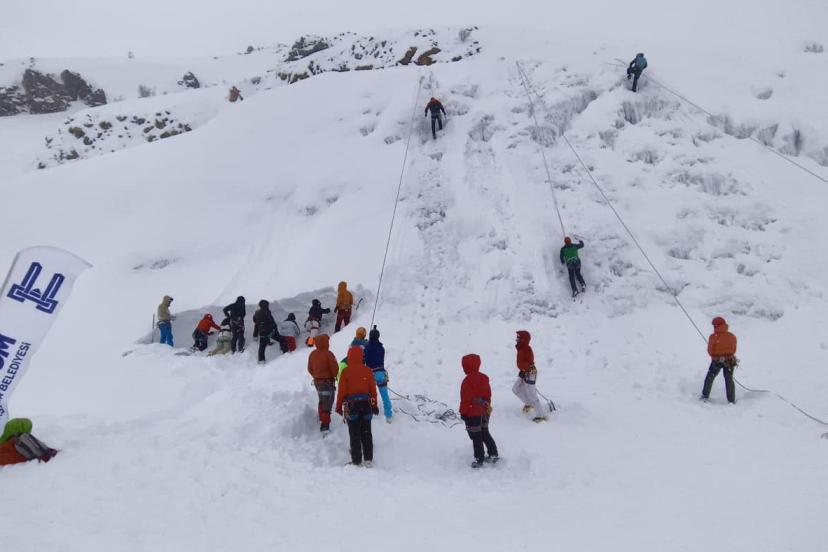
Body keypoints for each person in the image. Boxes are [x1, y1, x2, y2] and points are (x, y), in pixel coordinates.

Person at [336, 346, 379, 466]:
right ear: (361, 356)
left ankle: (356, 460)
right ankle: (368, 459)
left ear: (349, 356)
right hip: (366, 406)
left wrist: (338, 406)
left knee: (354, 434)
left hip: (352, 406)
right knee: (367, 432)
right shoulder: (368, 370)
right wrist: (374, 405)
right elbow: (373, 391)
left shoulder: (345, 372)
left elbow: (341, 392)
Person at [459, 354, 498, 468]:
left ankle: (479, 459)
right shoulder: (484, 378)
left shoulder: (467, 381)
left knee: (476, 436)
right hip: (484, 411)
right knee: (485, 433)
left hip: (472, 413)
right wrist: (487, 406)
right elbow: (488, 395)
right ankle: (493, 454)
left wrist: (463, 412)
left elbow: (465, 399)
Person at [701, 317, 738, 404]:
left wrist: (716, 356)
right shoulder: (732, 336)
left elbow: (710, 351)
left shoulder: (713, 337)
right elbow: (734, 350)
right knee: (729, 379)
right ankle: (731, 400)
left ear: (716, 326)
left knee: (710, 377)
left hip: (716, 361)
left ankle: (705, 396)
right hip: (729, 361)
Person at [512, 330, 546, 422]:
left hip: (530, 373)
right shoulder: (521, 348)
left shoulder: (527, 349)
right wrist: (523, 370)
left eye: (518, 337)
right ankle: (528, 403)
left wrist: (527, 370)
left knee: (532, 395)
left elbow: (530, 362)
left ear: (523, 339)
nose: (516, 339)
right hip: (524, 372)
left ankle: (541, 416)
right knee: (515, 389)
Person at [307, 334, 339, 432]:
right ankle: (325, 425)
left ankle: (321, 417)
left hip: (317, 382)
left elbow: (309, 368)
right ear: (326, 342)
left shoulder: (312, 354)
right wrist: (333, 376)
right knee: (327, 403)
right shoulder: (328, 354)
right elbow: (335, 369)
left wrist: (316, 376)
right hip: (327, 382)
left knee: (321, 400)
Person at [364, 326, 393, 423]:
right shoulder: (382, 348)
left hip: (371, 374)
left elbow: (364, 358)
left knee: (370, 395)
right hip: (381, 373)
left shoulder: (367, 347)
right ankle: (389, 416)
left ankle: (371, 413)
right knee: (385, 396)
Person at [252, 300, 282, 364]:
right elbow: (271, 320)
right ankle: (285, 351)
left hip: (261, 331)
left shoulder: (257, 312)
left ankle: (261, 360)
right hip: (269, 331)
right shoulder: (266, 311)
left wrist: (256, 331)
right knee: (281, 339)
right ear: (266, 305)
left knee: (262, 346)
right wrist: (275, 328)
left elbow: (254, 320)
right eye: (267, 304)